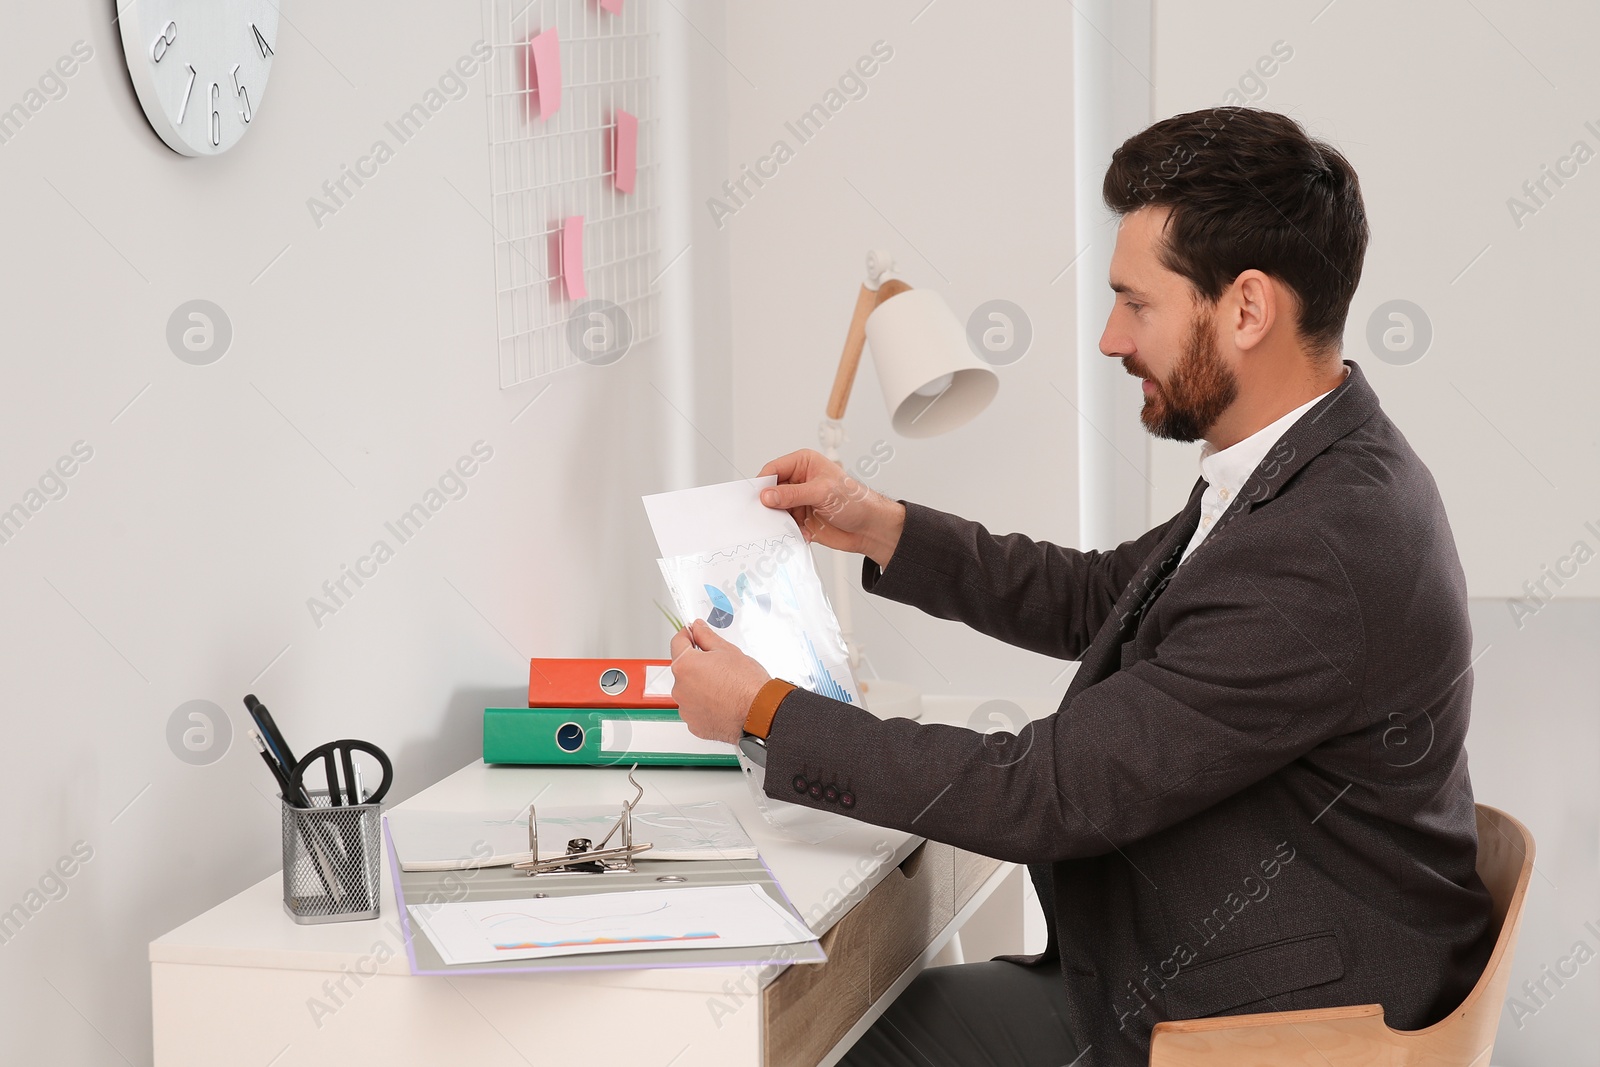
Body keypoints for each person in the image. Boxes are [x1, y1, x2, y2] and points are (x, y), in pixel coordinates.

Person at [668, 107, 1495, 1067]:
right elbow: (1108, 595)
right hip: (1225, 958)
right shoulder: (1316, 461)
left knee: (853, 1041)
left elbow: (1044, 792)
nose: (1109, 338)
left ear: (1246, 309)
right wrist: (881, 524)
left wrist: (766, 710)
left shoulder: (1322, 546)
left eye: (1135, 303)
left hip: (1263, 1023)